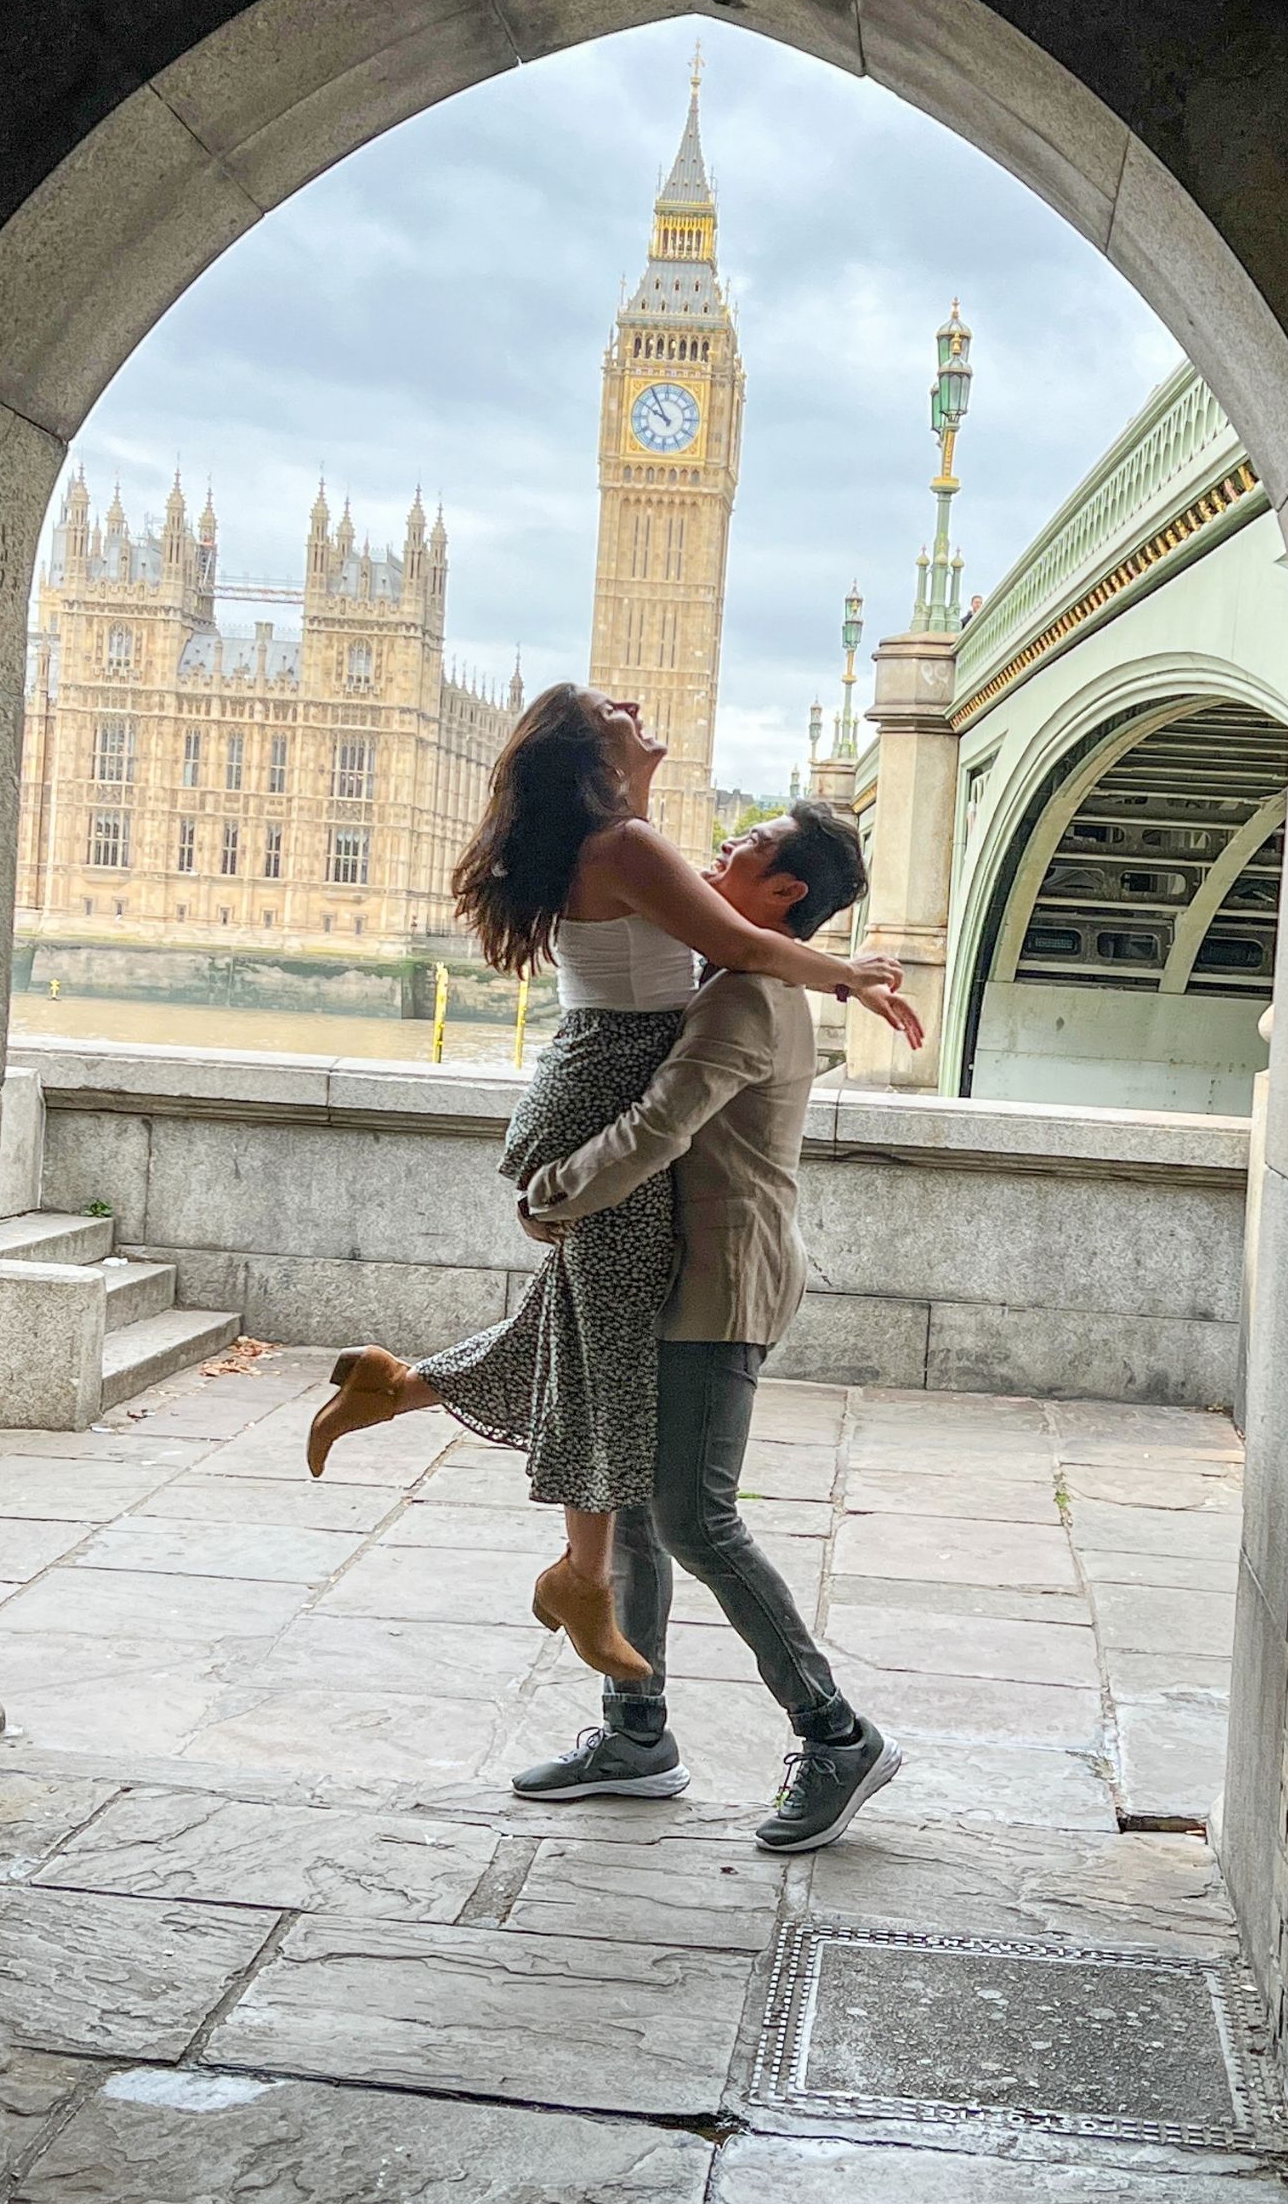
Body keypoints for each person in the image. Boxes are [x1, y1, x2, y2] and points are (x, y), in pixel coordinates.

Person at [304, 685, 919, 1688]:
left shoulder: (617, 841)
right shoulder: (628, 849)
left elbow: (719, 927)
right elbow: (734, 949)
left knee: (569, 1326)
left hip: (589, 1081)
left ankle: (398, 1388)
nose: (636, 703)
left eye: (752, 841)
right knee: (607, 1367)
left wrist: (635, 770)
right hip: (606, 1097)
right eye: (612, 712)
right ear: (590, 759)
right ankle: (584, 1581)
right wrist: (843, 973)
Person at [509, 799, 906, 1854]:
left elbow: (659, 1124)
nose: (717, 849)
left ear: (783, 892)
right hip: (684, 1277)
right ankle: (635, 1735)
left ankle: (836, 1735)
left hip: (717, 1287)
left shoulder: (743, 995)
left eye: (745, 847)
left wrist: (556, 1192)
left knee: (693, 1518)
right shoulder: (742, 975)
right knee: (636, 1510)